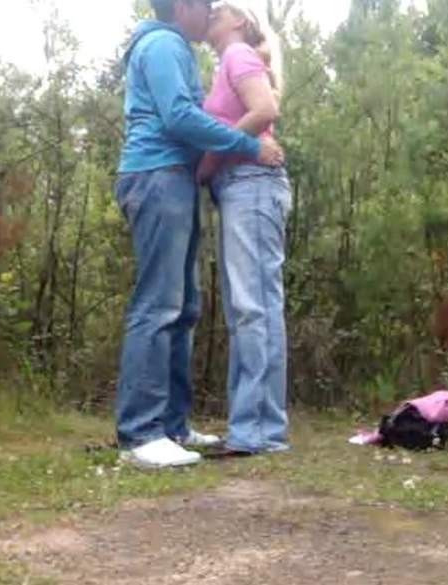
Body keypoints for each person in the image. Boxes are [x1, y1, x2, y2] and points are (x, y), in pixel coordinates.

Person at [115, 0, 285, 469]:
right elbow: (179, 117)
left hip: (175, 179)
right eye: (205, 6)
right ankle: (141, 433)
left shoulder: (174, 47)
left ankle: (172, 426)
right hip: (157, 174)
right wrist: (248, 144)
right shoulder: (163, 44)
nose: (209, 14)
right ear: (183, 5)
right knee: (158, 304)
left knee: (184, 306)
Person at [198, 1, 292, 454]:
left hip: (251, 183)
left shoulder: (237, 54)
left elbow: (265, 108)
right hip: (241, 186)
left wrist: (209, 162)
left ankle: (258, 431)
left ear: (239, 21)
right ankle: (252, 425)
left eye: (218, 11)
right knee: (247, 310)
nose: (209, 15)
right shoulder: (230, 63)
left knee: (255, 308)